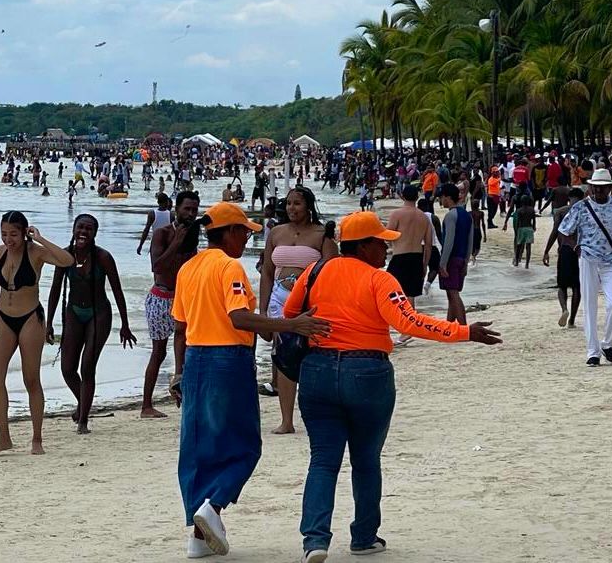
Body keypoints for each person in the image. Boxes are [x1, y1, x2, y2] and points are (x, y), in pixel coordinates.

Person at [282, 211, 501, 562]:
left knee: (322, 461)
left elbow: (291, 315)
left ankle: (315, 540)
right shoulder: (380, 280)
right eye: (381, 242)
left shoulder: (315, 272)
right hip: (367, 372)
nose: (386, 249)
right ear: (364, 246)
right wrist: (465, 332)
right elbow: (409, 322)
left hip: (318, 372)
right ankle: (364, 537)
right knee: (366, 460)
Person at [170, 202, 330, 559]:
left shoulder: (188, 268)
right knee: (244, 445)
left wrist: (178, 372)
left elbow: (180, 328)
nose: (246, 238)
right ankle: (214, 506)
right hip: (227, 359)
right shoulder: (230, 267)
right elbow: (240, 318)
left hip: (196, 358)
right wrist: (292, 324)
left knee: (198, 447)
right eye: (243, 231)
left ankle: (198, 534)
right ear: (226, 233)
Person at [0, 211, 73, 454]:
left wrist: (39, 238)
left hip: (30, 318)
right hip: (3, 319)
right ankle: (4, 437)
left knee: (31, 380)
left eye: (14, 234)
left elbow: (67, 260)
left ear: (24, 232)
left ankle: (37, 439)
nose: (9, 239)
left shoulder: (36, 252)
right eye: (4, 234)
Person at [46, 214, 136, 434]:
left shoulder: (103, 257)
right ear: (74, 229)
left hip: (99, 314)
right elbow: (55, 290)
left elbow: (117, 290)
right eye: (80, 228)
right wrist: (48, 323)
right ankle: (84, 403)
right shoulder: (65, 256)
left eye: (88, 229)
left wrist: (125, 324)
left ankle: (83, 420)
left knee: (87, 367)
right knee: (67, 368)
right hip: (74, 313)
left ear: (95, 233)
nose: (83, 232)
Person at [259, 186, 337, 434]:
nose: (292, 208)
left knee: (313, 354)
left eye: (297, 204)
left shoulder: (321, 234)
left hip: (310, 300)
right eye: (289, 203)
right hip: (279, 298)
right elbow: (267, 273)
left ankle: (318, 414)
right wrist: (263, 310)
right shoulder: (276, 233)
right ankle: (286, 420)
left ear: (309, 206)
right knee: (283, 356)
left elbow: (333, 273)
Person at [556, 168, 612, 366]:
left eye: (602, 188)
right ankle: (593, 351)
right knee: (589, 306)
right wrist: (577, 248)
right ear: (590, 187)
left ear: (610, 188)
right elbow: (564, 231)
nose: (598, 191)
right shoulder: (580, 207)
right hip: (588, 259)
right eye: (595, 187)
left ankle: (608, 344)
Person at [142, 190, 200, 418]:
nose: (191, 213)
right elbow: (157, 266)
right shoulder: (163, 233)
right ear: (176, 209)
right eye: (187, 209)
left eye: (194, 210)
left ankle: (181, 394)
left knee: (185, 347)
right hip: (161, 296)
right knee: (158, 352)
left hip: (184, 296)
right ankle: (146, 405)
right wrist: (176, 242)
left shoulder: (194, 234)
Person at [385, 184, 432, 346]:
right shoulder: (423, 217)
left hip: (400, 257)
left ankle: (404, 328)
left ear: (402, 196)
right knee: (410, 294)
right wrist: (425, 264)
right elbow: (428, 243)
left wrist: (391, 246)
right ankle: (407, 329)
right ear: (417, 197)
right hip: (417, 257)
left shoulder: (397, 214)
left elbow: (387, 235)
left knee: (390, 293)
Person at [542, 187, 584, 328]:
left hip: (564, 250)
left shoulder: (560, 212)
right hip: (580, 252)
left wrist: (546, 251)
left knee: (562, 285)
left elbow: (555, 232)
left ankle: (564, 309)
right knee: (577, 287)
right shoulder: (585, 212)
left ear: (569, 198)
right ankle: (572, 319)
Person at [437, 183, 473, 324]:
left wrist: (443, 263)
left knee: (453, 293)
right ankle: (449, 325)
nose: (441, 200)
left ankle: (463, 327)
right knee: (451, 294)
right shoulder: (466, 215)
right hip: (461, 258)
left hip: (451, 259)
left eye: (442, 197)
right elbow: (470, 241)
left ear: (447, 197)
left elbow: (448, 241)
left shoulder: (451, 216)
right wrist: (466, 262)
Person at [510, 195, 536, 268]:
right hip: (529, 228)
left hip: (521, 229)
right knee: (528, 247)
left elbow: (518, 221)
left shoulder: (519, 210)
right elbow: (534, 220)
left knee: (519, 246)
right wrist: (534, 227)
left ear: (521, 202)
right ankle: (527, 264)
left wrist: (517, 230)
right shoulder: (532, 210)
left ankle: (517, 262)